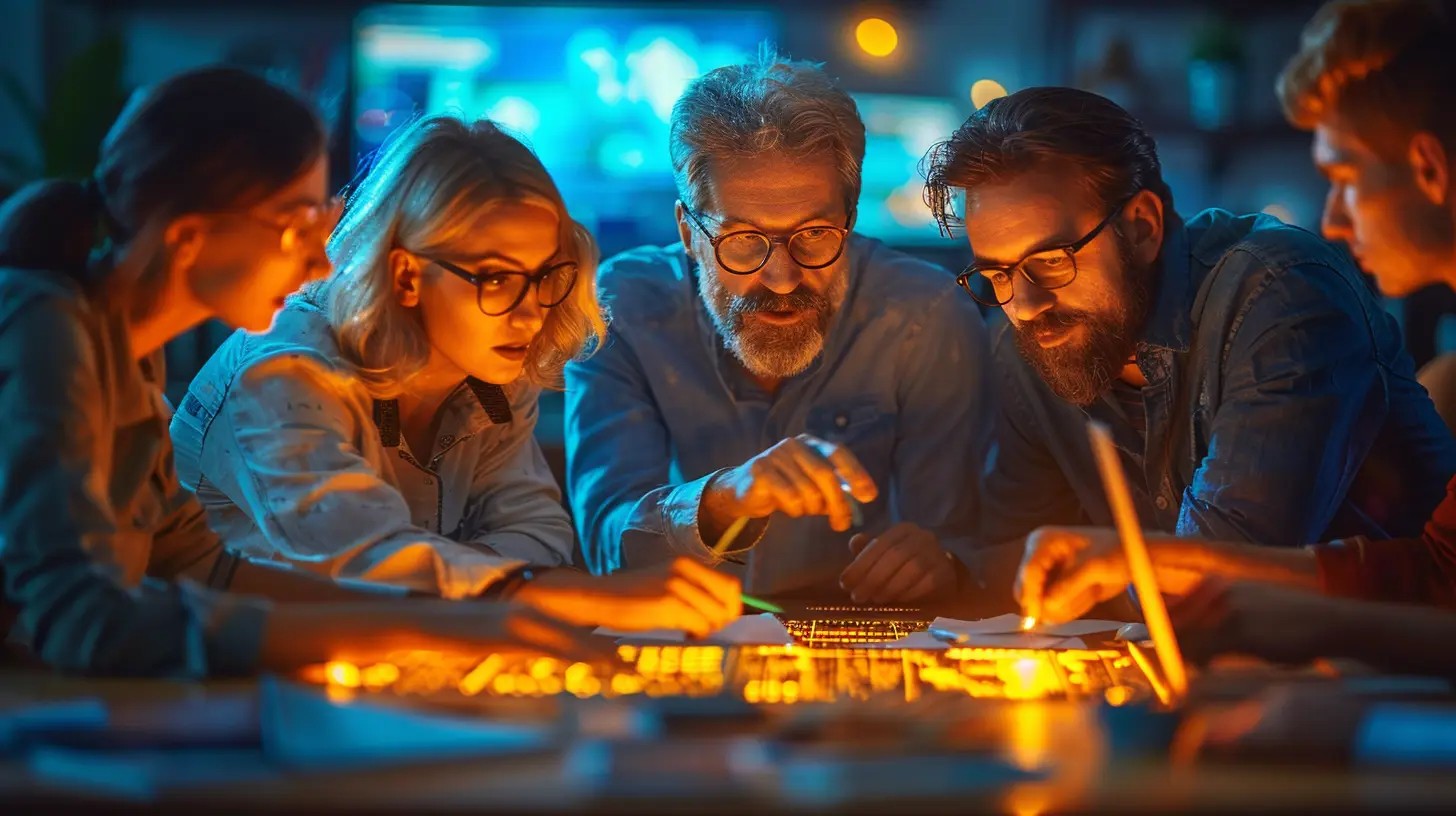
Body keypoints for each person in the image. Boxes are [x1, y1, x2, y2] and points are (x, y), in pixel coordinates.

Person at [0, 67, 612, 677]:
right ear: (190, 237)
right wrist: (456, 618)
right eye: (297, 227)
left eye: (323, 222)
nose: (324, 262)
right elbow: (85, 617)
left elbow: (201, 567)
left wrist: (468, 621)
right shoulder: (48, 335)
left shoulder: (125, 356)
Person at [170, 113, 741, 638]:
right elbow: (365, 561)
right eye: (495, 278)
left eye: (545, 275)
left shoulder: (491, 361)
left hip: (399, 658)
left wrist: (513, 591)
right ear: (406, 275)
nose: (529, 312)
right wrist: (568, 596)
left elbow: (537, 532)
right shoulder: (287, 373)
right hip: (217, 681)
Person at [1015, 1, 1456, 678]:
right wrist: (1141, 559)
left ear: (1428, 168)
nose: (1334, 219)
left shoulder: (1281, 286)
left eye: (1342, 177)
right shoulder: (1018, 347)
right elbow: (1428, 575)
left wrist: (1301, 641)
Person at [921, 84, 1456, 573]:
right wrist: (948, 569)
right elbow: (1028, 561)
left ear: (1143, 227)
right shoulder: (1029, 342)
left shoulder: (1281, 294)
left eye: (1054, 260)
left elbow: (1225, 572)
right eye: (997, 273)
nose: (1026, 305)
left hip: (1384, 662)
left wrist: (1095, 574)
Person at [564, 47, 992, 603]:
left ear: (851, 220)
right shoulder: (623, 305)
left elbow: (966, 541)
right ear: (690, 233)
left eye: (815, 233)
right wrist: (723, 499)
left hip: (865, 645)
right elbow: (606, 547)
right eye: (743, 240)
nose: (784, 278)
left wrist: (941, 564)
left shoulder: (925, 314)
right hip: (682, 643)